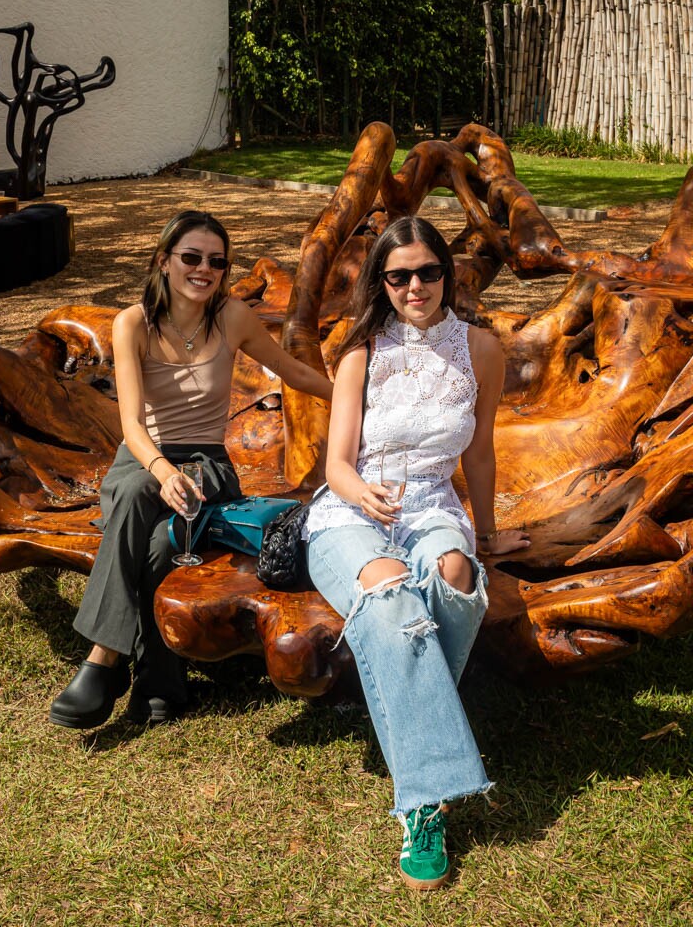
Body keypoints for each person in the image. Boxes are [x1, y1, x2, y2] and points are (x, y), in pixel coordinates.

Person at [304, 215, 529, 891]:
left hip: (431, 505)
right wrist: (361, 495)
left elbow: (481, 451)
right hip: (350, 512)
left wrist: (484, 534)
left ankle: (404, 711)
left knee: (457, 576)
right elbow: (336, 463)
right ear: (382, 280)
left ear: (446, 273)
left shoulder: (481, 349)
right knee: (392, 592)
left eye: (427, 271)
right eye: (397, 275)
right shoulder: (360, 352)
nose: (414, 285)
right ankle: (424, 802)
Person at [50, 210, 332, 731]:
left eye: (217, 262)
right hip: (141, 458)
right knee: (148, 522)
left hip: (207, 465)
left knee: (147, 516)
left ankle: (102, 663)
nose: (205, 269)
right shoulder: (132, 322)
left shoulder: (232, 319)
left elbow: (293, 371)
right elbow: (132, 424)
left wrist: (362, 405)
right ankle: (153, 679)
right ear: (164, 260)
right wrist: (160, 469)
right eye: (192, 257)